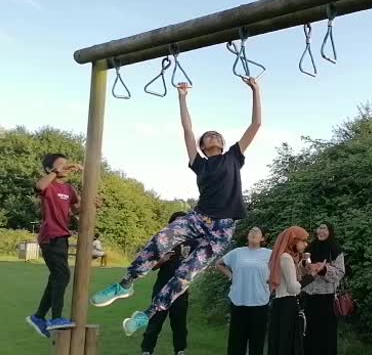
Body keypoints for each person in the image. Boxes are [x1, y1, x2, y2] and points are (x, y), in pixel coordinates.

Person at [90, 77, 262, 337]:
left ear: (223, 144)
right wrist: (182, 97)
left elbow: (256, 124)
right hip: (199, 218)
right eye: (207, 136)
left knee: (186, 273)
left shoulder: (233, 157)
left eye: (217, 135)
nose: (212, 136)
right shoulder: (199, 163)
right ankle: (126, 283)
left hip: (222, 228)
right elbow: (187, 130)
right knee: (162, 238)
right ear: (203, 147)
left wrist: (256, 90)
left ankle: (147, 315)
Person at [26, 154, 83, 337]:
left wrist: (93, 204)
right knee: (62, 274)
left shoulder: (69, 188)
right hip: (50, 235)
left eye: (66, 165)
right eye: (61, 165)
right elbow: (38, 186)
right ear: (50, 169)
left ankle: (38, 317)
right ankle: (56, 318)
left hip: (62, 236)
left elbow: (76, 208)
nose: (66, 168)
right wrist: (54, 172)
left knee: (56, 277)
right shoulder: (48, 185)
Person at [215, 227, 272, 355]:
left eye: (257, 232)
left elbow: (278, 272)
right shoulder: (237, 252)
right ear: (247, 236)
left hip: (259, 302)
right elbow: (219, 264)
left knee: (256, 343)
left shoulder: (269, 254)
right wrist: (231, 275)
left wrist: (271, 281)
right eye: (251, 231)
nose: (253, 233)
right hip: (239, 301)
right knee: (236, 342)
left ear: (262, 238)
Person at [141, 211, 190, 355]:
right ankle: (147, 350)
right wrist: (162, 260)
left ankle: (180, 350)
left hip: (180, 289)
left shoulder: (191, 242)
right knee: (155, 321)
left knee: (179, 323)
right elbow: (150, 266)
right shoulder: (163, 241)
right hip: (162, 288)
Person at [302, 222, 346, 355]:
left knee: (325, 331)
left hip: (326, 296)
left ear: (330, 232)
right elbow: (301, 268)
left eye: (324, 229)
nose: (321, 231)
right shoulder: (310, 247)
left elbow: (340, 272)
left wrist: (324, 269)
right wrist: (306, 265)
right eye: (319, 228)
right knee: (309, 329)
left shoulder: (335, 249)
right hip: (309, 295)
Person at [267, 226, 311, 355]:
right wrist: (310, 277)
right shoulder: (286, 257)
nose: (305, 244)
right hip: (287, 303)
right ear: (294, 240)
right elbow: (293, 288)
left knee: (281, 341)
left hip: (281, 304)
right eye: (302, 241)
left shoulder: (288, 256)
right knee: (287, 342)